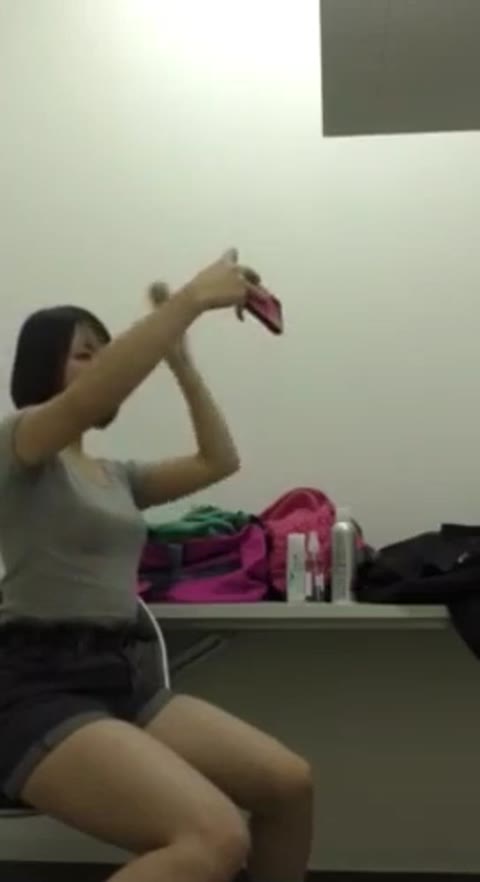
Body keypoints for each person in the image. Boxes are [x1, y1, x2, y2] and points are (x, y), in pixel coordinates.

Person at [0, 249, 313, 882]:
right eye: (85, 352)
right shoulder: (19, 443)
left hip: (123, 675)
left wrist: (181, 362)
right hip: (36, 684)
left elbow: (218, 460)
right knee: (213, 839)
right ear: (41, 365)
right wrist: (190, 300)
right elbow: (90, 398)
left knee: (289, 785)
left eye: (105, 349)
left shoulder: (115, 476)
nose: (102, 361)